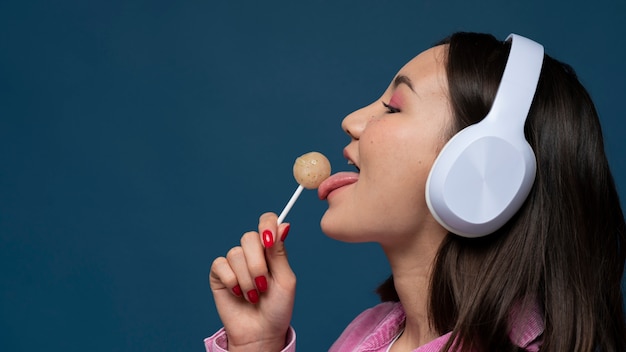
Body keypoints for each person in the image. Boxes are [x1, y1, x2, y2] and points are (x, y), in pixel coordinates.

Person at [206, 32, 626, 351]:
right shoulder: (366, 335)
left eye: (392, 107)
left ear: (483, 165)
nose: (351, 121)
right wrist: (257, 345)